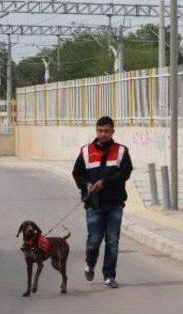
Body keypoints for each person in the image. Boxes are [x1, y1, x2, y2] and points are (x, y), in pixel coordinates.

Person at [72, 116, 133, 289]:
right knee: (94, 240)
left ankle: (109, 276)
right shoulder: (85, 151)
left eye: (106, 131)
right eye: (100, 131)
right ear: (96, 131)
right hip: (94, 204)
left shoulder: (121, 151)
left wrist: (104, 182)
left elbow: (124, 173)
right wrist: (86, 184)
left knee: (112, 241)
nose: (103, 134)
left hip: (115, 204)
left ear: (113, 131)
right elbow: (77, 173)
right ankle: (90, 263)